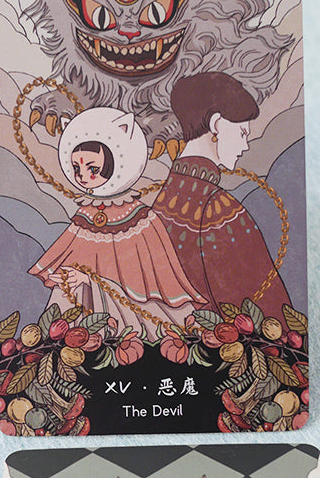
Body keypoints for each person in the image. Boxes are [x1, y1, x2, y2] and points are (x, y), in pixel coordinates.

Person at [29, 107, 205, 339]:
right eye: (77, 168)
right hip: (81, 322)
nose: (82, 176)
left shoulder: (141, 221)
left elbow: (140, 288)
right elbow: (67, 259)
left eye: (93, 168)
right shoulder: (85, 216)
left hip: (134, 321)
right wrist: (68, 278)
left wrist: (89, 280)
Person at [153, 72, 293, 321]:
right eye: (242, 133)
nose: (245, 145)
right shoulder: (218, 208)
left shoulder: (165, 198)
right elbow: (264, 305)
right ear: (216, 124)